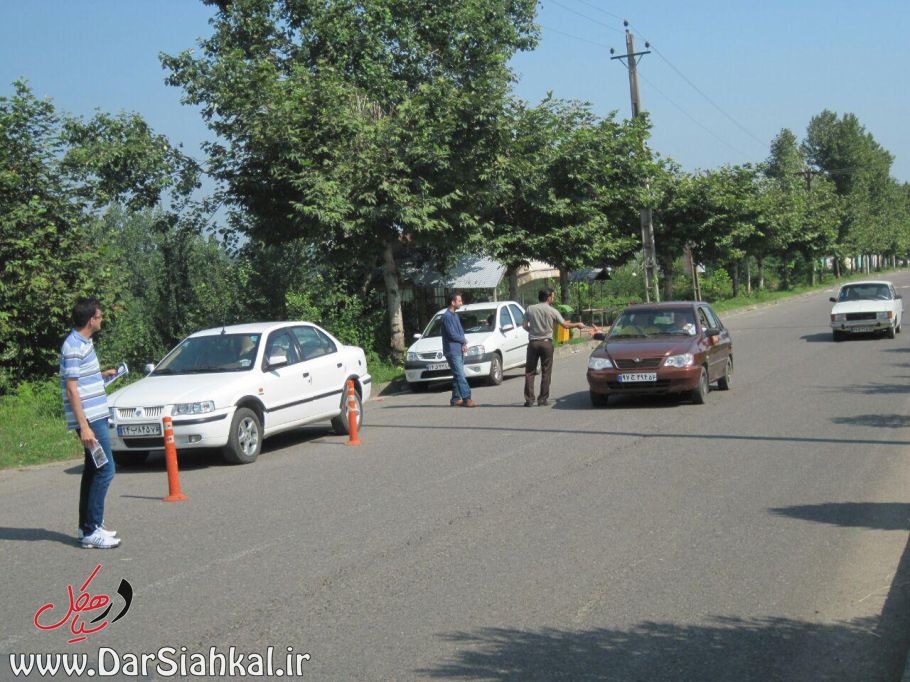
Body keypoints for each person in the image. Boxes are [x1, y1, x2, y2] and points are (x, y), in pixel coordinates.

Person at [61, 297, 121, 549]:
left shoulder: (84, 342)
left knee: (93, 470)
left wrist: (102, 375)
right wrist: (84, 426)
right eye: (100, 315)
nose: (102, 319)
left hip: (95, 415)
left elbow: (82, 380)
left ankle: (87, 526)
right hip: (90, 420)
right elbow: (72, 389)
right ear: (91, 320)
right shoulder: (73, 346)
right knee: (106, 469)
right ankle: (91, 530)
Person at [522, 288, 588, 407]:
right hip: (546, 343)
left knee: (530, 372)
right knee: (546, 371)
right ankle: (542, 399)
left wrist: (533, 331)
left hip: (533, 343)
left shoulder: (530, 309)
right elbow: (565, 325)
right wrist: (577, 325)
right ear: (548, 298)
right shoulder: (552, 310)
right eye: (552, 296)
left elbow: (524, 326)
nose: (553, 298)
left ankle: (529, 399)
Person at [441, 292, 476, 407]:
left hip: (458, 349)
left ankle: (455, 399)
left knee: (457, 375)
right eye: (459, 301)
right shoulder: (446, 317)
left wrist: (463, 344)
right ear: (453, 302)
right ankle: (467, 398)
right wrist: (463, 340)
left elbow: (460, 331)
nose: (461, 303)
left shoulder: (455, 315)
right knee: (460, 375)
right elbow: (451, 334)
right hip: (451, 350)